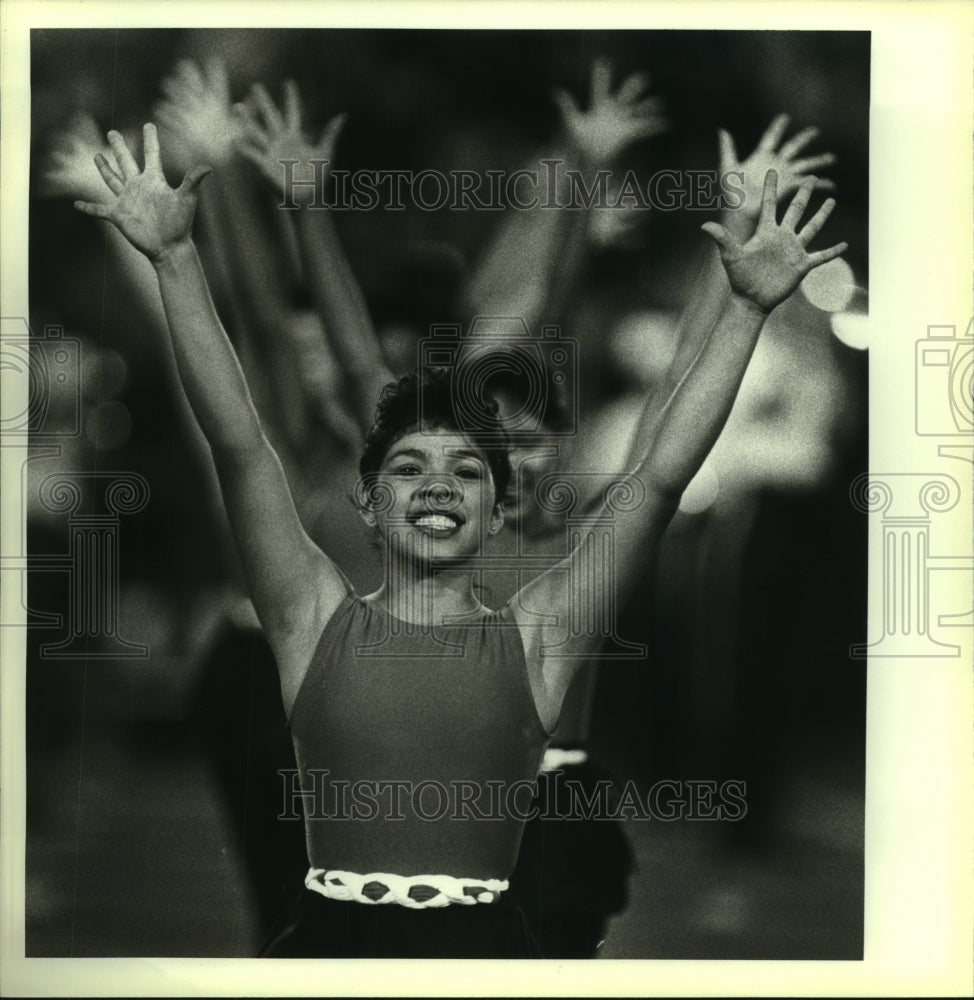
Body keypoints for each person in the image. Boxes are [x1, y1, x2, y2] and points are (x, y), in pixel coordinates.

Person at [73, 119, 845, 958]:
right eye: (409, 469)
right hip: (335, 944)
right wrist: (178, 262)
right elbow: (238, 443)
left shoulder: (542, 631)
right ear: (368, 506)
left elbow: (658, 473)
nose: (440, 484)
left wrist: (742, 308)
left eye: (470, 472)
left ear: (496, 502)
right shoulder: (310, 618)